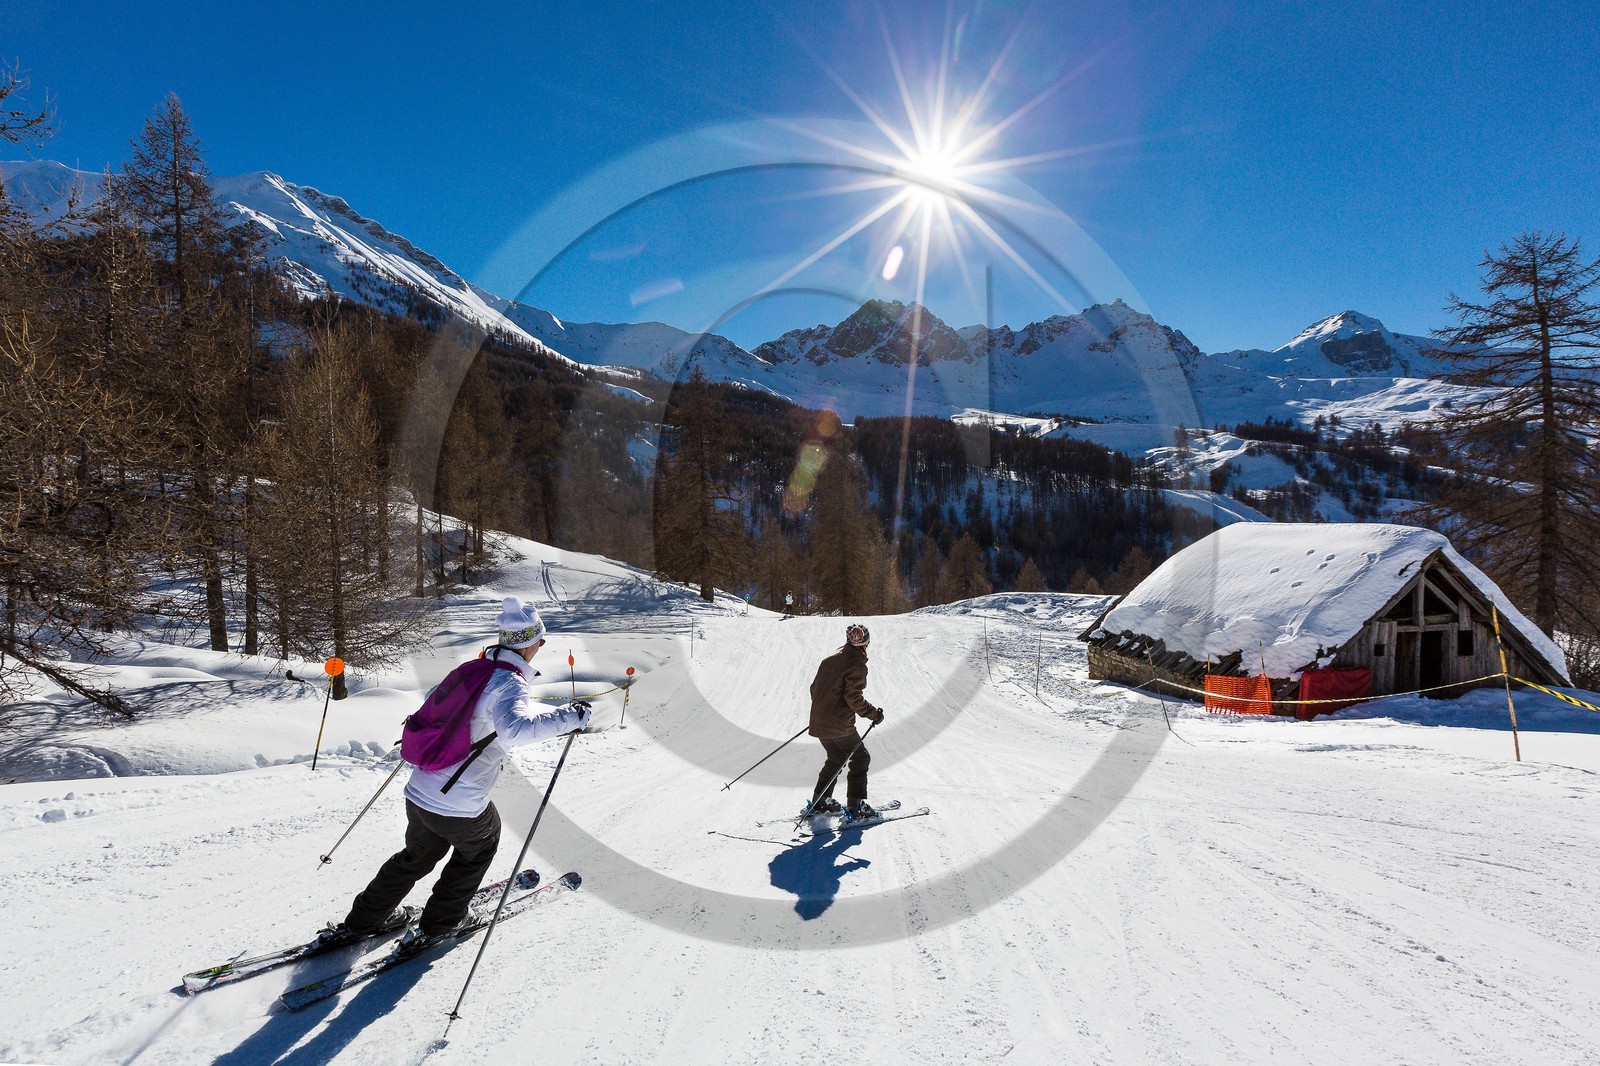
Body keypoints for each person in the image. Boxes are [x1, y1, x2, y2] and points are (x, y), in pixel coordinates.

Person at [322, 596, 589, 952]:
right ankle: (441, 924)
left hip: (420, 790)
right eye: (540, 640)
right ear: (530, 642)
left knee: (416, 857)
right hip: (459, 801)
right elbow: (515, 731)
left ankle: (364, 920)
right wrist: (571, 718)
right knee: (479, 847)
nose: (541, 647)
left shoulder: (472, 671)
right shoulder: (510, 683)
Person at [805, 623, 884, 821]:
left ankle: (821, 801)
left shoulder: (828, 661)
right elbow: (853, 699)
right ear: (866, 643)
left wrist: (824, 711)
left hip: (819, 722)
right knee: (861, 757)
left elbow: (814, 690)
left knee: (836, 757)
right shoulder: (857, 665)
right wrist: (874, 714)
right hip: (839, 725)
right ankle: (856, 806)